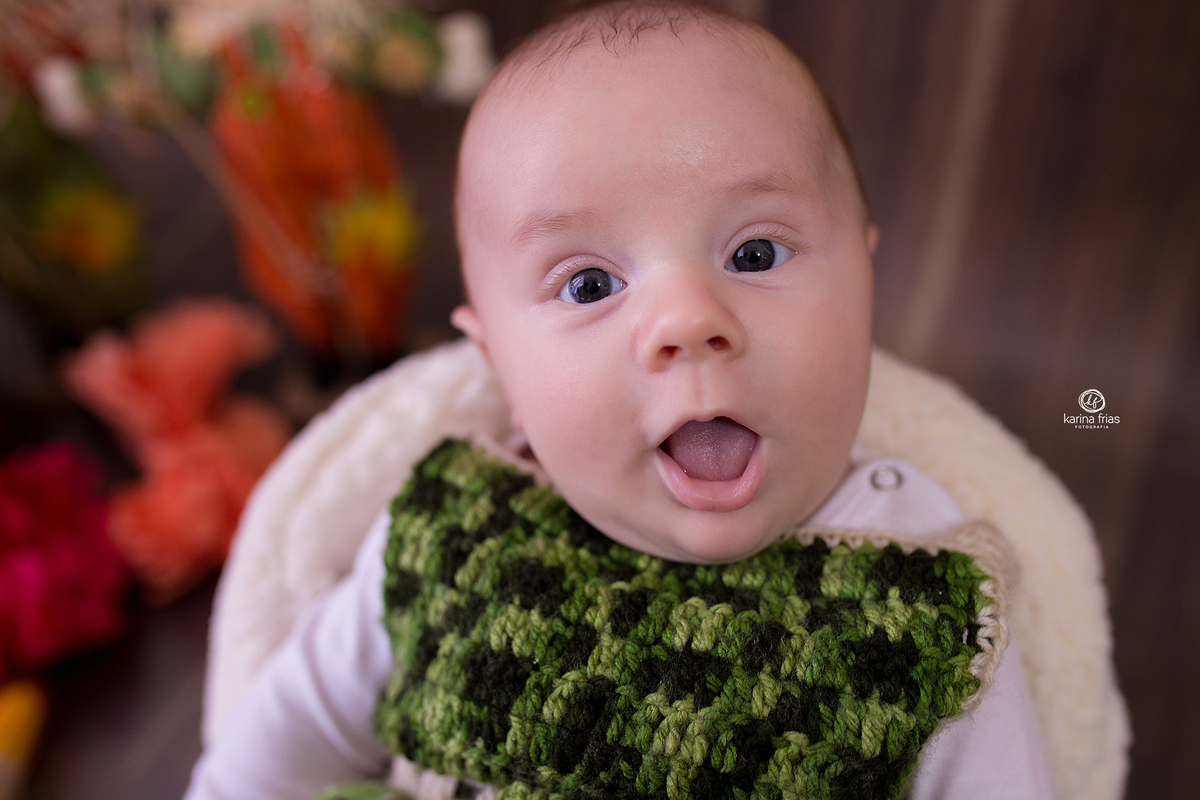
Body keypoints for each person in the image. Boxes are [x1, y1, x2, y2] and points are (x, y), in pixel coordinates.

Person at [184, 2, 1058, 798]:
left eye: (755, 255)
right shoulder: (453, 530)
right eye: (590, 284)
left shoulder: (924, 601)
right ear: (499, 366)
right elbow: (269, 757)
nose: (688, 321)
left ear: (865, 279)